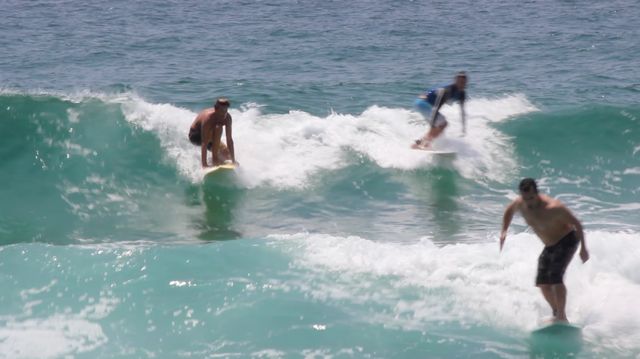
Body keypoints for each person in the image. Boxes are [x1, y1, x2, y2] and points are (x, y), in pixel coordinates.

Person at [500, 178, 589, 323]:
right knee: (542, 283)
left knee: (555, 277)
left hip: (567, 240)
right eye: (525, 198)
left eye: (531, 198)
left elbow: (578, 224)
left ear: (537, 193)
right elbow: (509, 211)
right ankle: (556, 313)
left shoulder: (554, 208)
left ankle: (562, 316)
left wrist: (584, 249)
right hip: (550, 245)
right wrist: (504, 231)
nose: (528, 202)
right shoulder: (520, 203)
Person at [412, 72, 467, 149]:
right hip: (423, 103)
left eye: (464, 82)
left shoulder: (462, 94)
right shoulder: (448, 91)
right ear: (455, 81)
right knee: (443, 124)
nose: (462, 84)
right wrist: (433, 123)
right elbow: (437, 107)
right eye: (460, 82)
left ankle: (418, 144)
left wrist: (463, 128)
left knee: (438, 127)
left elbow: (462, 111)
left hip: (424, 104)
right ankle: (424, 144)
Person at [188, 98, 236, 167]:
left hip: (211, 137)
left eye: (225, 111)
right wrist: (204, 165)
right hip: (196, 136)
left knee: (226, 155)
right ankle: (214, 159)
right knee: (218, 127)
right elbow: (204, 142)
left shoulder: (227, 118)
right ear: (216, 109)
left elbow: (229, 139)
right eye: (221, 112)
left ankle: (215, 159)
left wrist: (233, 160)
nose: (223, 115)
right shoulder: (208, 118)